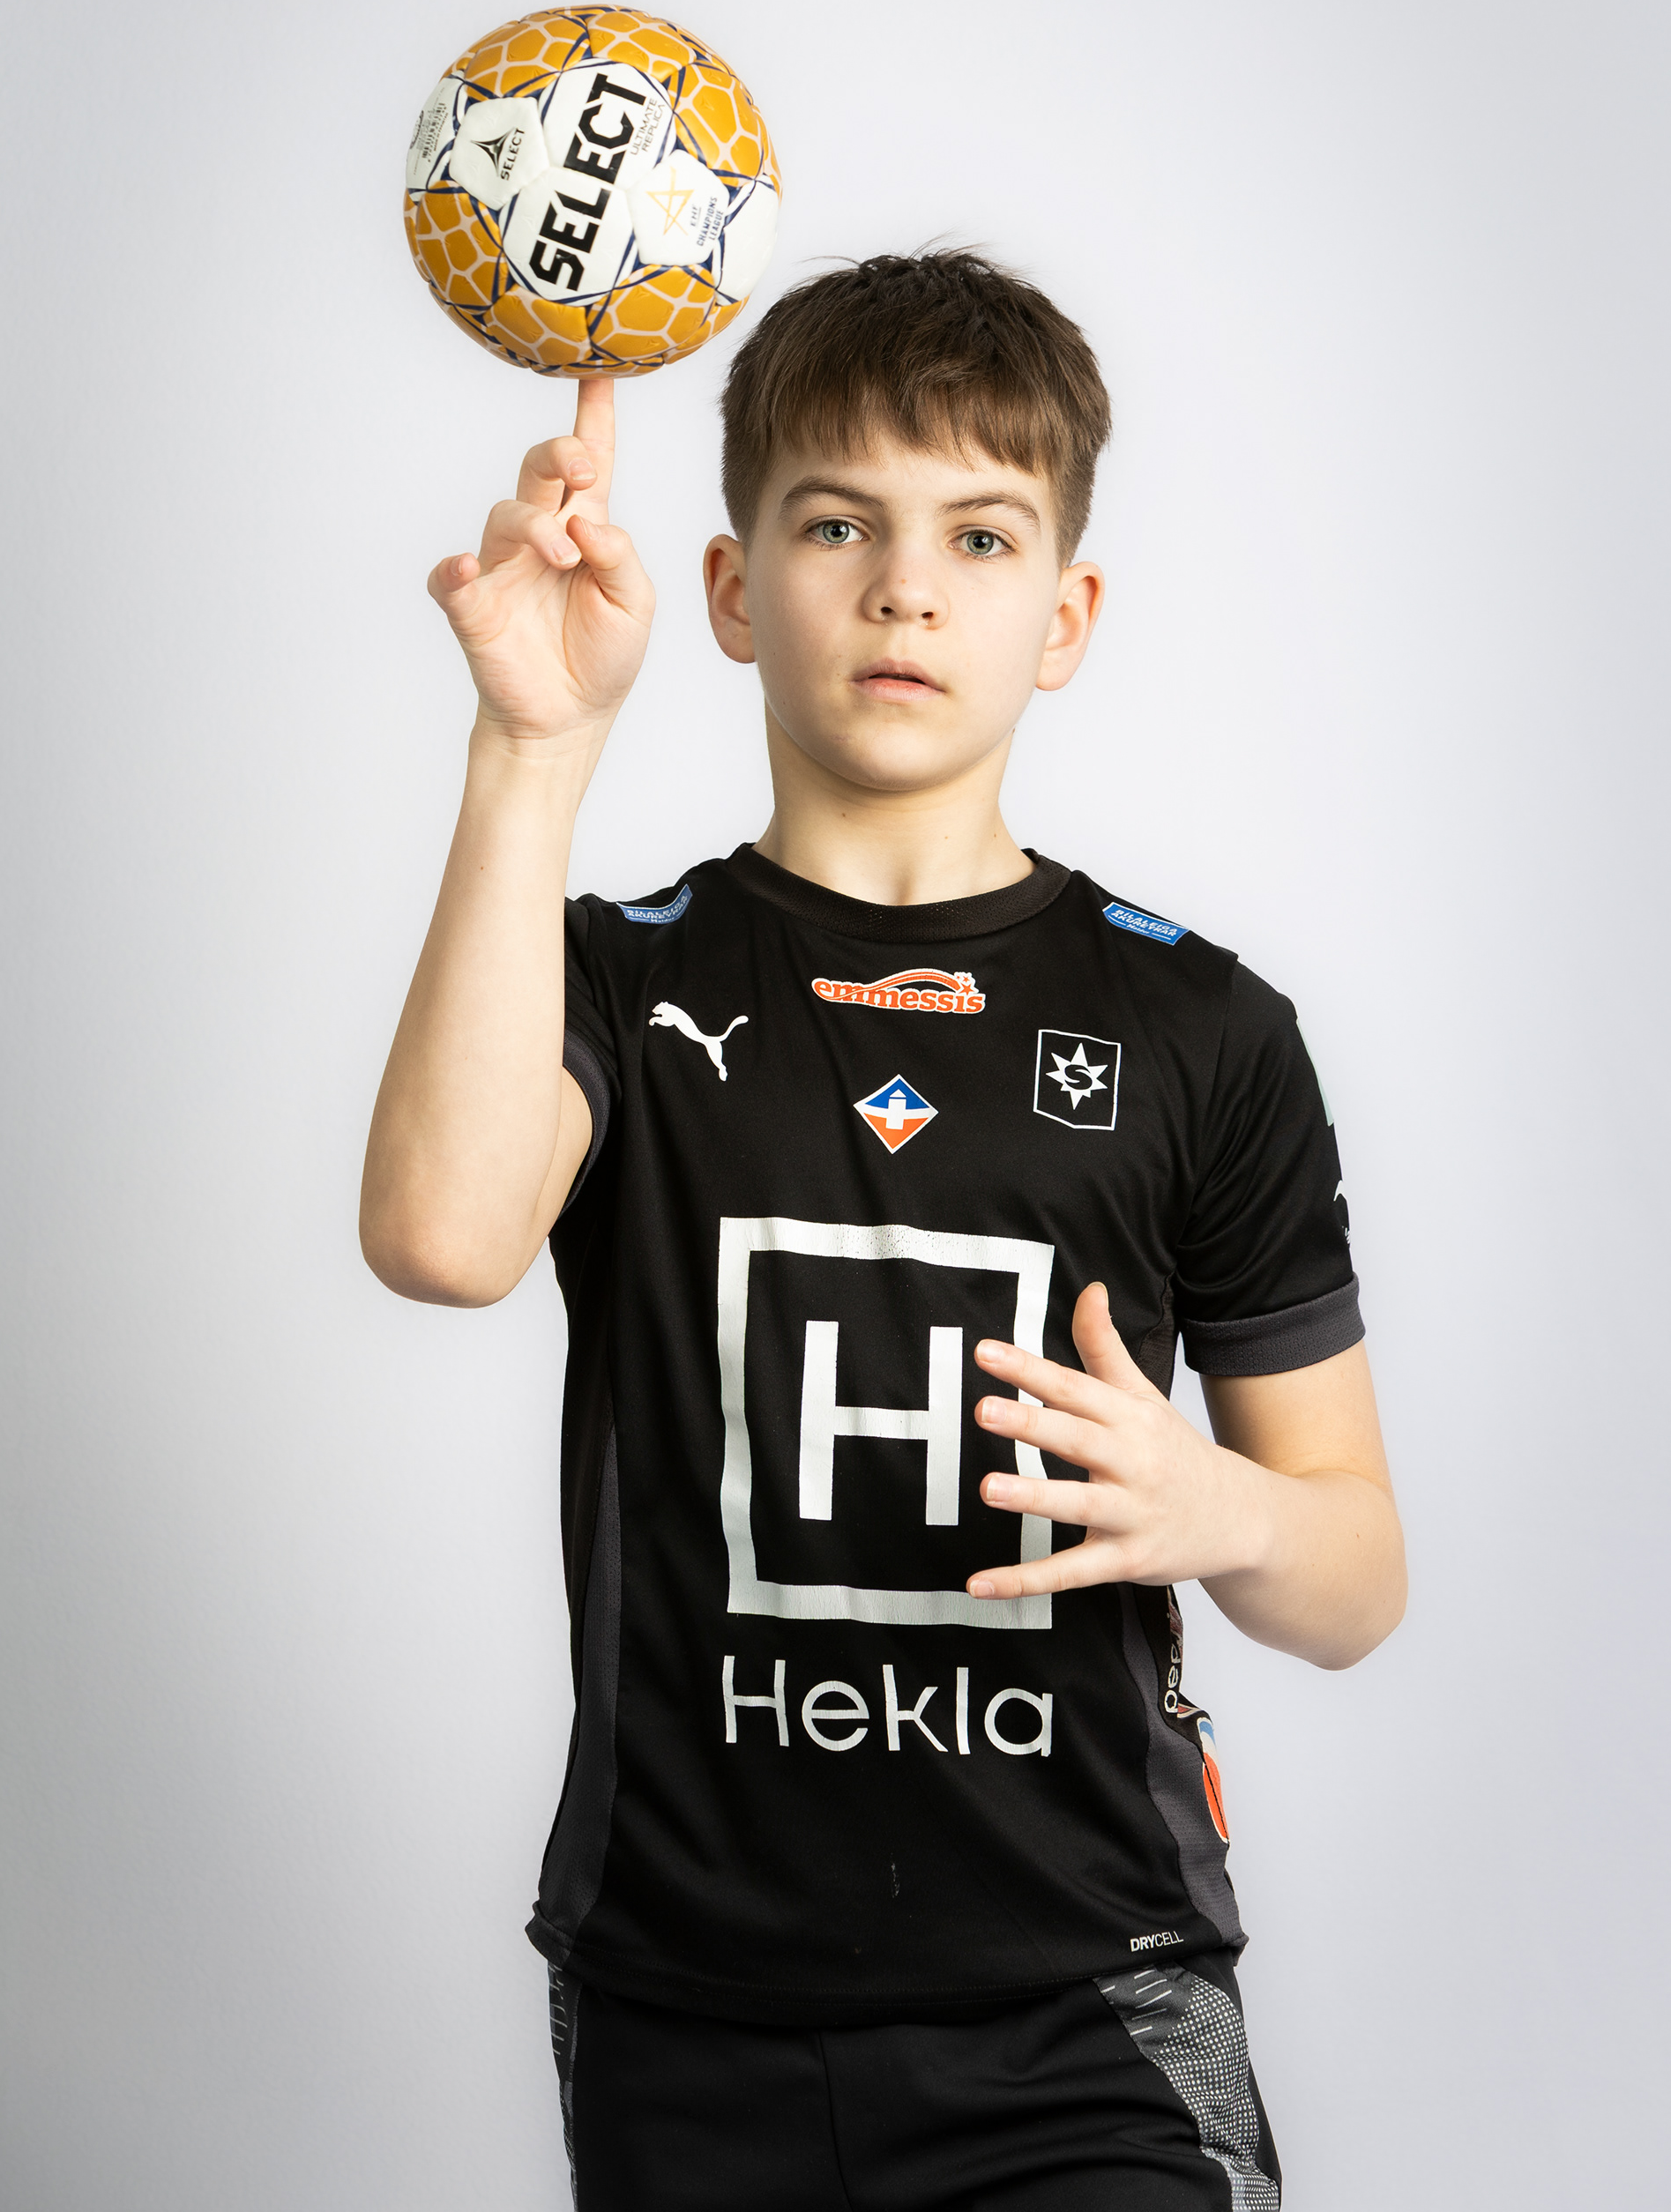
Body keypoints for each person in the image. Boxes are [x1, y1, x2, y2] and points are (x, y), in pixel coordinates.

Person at [361, 250, 1406, 2209]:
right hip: (686, 2001)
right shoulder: (616, 982)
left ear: (1064, 614)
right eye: (838, 523)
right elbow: (439, 1235)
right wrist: (532, 747)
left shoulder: (1205, 1030)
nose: (907, 587)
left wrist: (1224, 1508)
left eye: (980, 536)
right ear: (733, 589)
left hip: (1086, 2005)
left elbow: (1355, 1582)